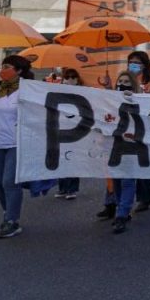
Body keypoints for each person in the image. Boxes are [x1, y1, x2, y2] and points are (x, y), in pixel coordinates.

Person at [0, 55, 34, 238]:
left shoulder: (27, 90)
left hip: (16, 142)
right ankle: (8, 212)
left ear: (18, 70)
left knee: (9, 182)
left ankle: (12, 221)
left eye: (7, 66)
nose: (3, 69)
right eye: (2, 65)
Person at [126, 51, 150, 213]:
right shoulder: (126, 79)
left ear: (144, 64)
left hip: (148, 125)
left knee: (144, 161)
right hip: (129, 124)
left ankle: (145, 198)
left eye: (137, 62)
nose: (133, 64)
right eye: (131, 62)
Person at [106, 71, 142, 234]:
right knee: (117, 180)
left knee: (127, 180)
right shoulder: (110, 99)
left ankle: (121, 214)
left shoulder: (141, 100)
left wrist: (133, 99)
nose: (123, 83)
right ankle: (122, 208)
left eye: (127, 81)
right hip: (114, 145)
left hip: (132, 146)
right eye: (120, 80)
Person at [53, 68, 84, 201]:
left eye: (73, 77)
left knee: (72, 159)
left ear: (77, 79)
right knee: (61, 159)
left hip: (76, 130)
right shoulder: (58, 92)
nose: (70, 79)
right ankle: (62, 187)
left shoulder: (84, 92)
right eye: (67, 77)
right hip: (61, 128)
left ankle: (72, 189)